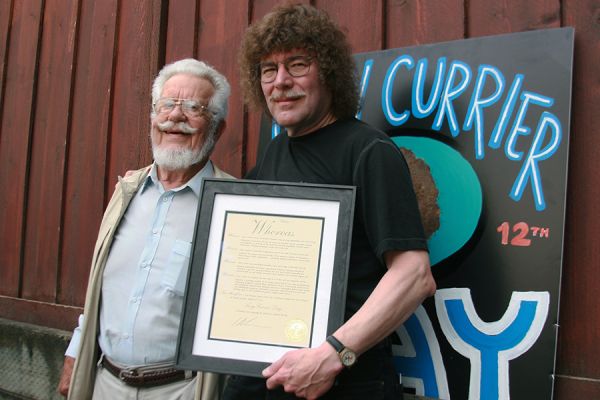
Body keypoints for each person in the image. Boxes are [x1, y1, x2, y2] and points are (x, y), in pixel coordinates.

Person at [223, 4, 436, 400]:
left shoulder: (369, 151)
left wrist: (333, 354)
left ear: (330, 74)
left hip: (345, 383)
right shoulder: (272, 155)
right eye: (268, 70)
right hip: (263, 375)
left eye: (298, 65)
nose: (281, 82)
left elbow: (414, 275)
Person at [57, 58, 233, 400]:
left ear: (217, 128)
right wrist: (75, 354)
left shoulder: (231, 205)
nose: (175, 116)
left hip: (182, 390)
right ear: (153, 117)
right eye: (166, 105)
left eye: (194, 107)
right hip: (103, 383)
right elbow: (102, 287)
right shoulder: (127, 192)